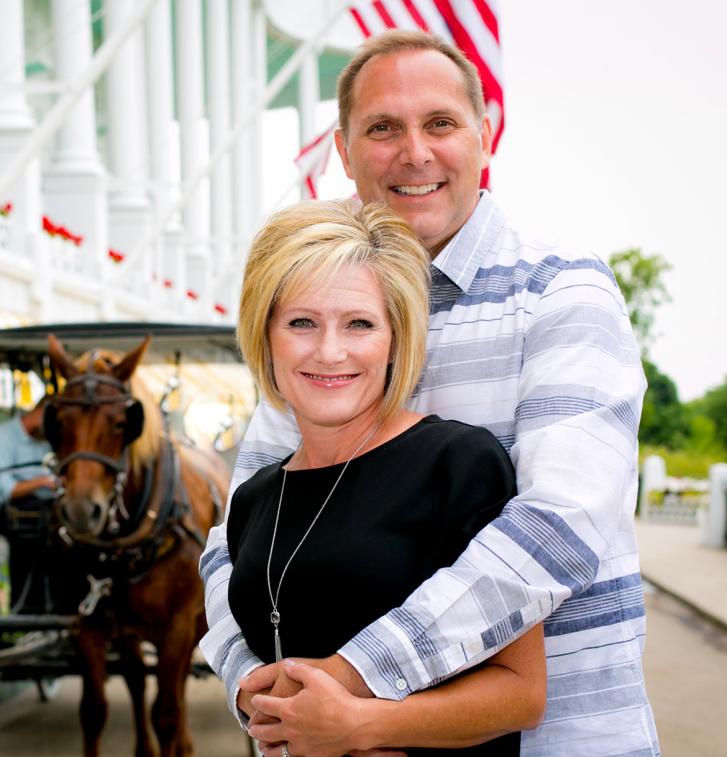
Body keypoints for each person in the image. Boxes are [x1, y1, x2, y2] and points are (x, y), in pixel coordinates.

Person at [199, 29, 659, 755]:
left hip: (563, 738)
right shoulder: (320, 313)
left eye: (439, 123)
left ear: (483, 135)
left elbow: (558, 528)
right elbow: (236, 538)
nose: (413, 152)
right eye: (382, 128)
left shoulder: (558, 291)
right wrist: (262, 693)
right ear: (344, 153)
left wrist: (355, 685)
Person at [227, 198, 545, 755]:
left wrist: (360, 724)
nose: (329, 352)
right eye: (301, 322)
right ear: (266, 336)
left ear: (395, 340)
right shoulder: (254, 500)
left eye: (359, 324)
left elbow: (522, 693)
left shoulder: (459, 463)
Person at [0, 399, 57, 613]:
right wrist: (43, 482)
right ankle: (25, 610)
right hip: (8, 512)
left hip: (43, 508)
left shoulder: (47, 440)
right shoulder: (1, 437)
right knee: (30, 539)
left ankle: (54, 608)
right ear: (41, 411)